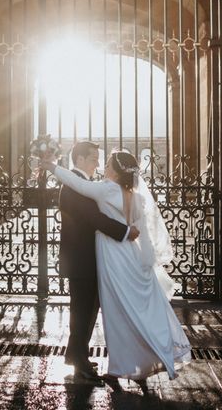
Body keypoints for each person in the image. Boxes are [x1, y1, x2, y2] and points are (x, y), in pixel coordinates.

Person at [41, 150, 191, 391]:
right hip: (130, 255)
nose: (101, 165)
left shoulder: (108, 189)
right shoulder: (136, 197)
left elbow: (76, 183)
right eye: (96, 159)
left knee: (116, 311)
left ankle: (125, 364)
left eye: (107, 163)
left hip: (112, 256)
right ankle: (139, 360)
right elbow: (140, 231)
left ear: (116, 170)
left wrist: (53, 168)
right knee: (131, 309)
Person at [57, 141, 140, 383]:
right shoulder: (74, 186)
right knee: (82, 312)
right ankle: (80, 362)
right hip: (81, 260)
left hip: (85, 259)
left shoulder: (82, 184)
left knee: (86, 310)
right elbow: (94, 218)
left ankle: (75, 355)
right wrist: (125, 231)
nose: (97, 162)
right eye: (93, 158)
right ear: (79, 159)